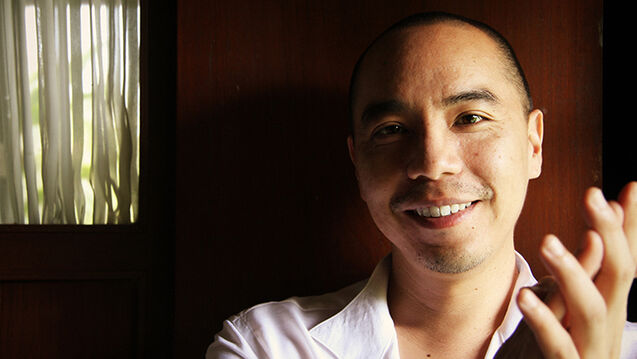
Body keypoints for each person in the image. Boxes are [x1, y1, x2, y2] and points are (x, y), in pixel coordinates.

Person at [206, 12, 637, 359]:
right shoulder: (265, 346)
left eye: (470, 118)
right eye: (392, 129)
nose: (432, 164)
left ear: (533, 143)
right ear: (357, 162)